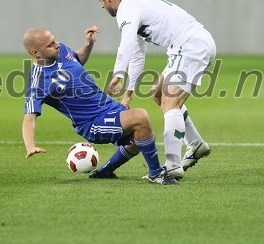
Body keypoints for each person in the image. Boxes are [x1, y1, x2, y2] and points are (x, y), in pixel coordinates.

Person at [94, 0, 216, 179]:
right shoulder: (135, 6)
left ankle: (172, 165)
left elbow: (127, 45)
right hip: (188, 45)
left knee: (170, 104)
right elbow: (137, 54)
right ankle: (195, 144)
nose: (102, 7)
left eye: (100, 2)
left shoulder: (127, 10)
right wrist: (128, 93)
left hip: (189, 45)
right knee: (158, 93)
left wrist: (117, 74)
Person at [21, 26, 178, 185]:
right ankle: (156, 173)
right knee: (141, 117)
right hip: (92, 123)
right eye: (50, 44)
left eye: (54, 40)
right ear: (35, 53)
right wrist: (30, 145)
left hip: (109, 107)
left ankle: (105, 171)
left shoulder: (60, 51)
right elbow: (29, 119)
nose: (57, 45)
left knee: (143, 135)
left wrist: (89, 44)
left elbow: (77, 59)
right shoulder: (38, 82)